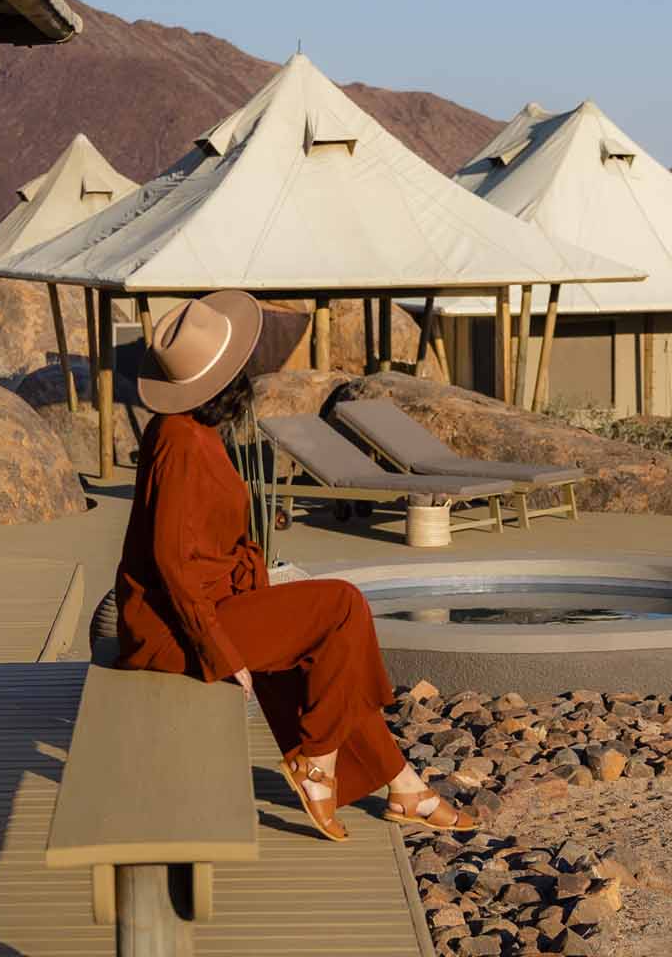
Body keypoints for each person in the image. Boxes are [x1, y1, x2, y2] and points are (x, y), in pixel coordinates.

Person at [107, 290, 477, 841]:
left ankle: (405, 787)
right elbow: (170, 563)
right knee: (341, 606)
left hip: (210, 606)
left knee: (332, 654)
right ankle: (320, 760)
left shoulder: (192, 432)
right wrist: (221, 651)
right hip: (173, 630)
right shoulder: (180, 443)